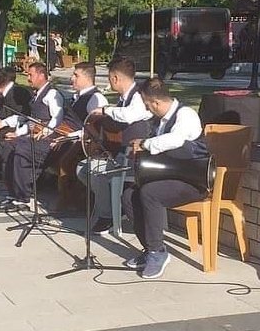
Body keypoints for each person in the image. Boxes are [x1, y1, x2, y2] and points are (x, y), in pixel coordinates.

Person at [120, 76, 209, 279]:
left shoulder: (186, 115)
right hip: (171, 176)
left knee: (151, 193)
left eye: (147, 105)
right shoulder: (160, 121)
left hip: (193, 181)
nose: (147, 109)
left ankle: (157, 252)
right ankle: (150, 248)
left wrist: (145, 144)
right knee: (129, 195)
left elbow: (175, 141)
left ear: (156, 103)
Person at [82, 55, 153, 234]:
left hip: (137, 156)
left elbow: (129, 115)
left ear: (115, 78)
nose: (109, 82)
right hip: (123, 153)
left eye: (109, 78)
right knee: (84, 168)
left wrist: (106, 110)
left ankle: (109, 215)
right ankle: (110, 211)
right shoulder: (124, 98)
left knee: (94, 170)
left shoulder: (139, 96)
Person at [0, 62, 65, 211]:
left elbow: (56, 120)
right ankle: (13, 193)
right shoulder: (36, 96)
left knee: (21, 148)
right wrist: (17, 133)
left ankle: (24, 197)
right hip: (34, 135)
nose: (28, 78)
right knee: (6, 145)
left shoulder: (52, 94)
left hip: (49, 140)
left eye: (30, 75)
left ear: (41, 75)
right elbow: (32, 121)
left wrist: (42, 134)